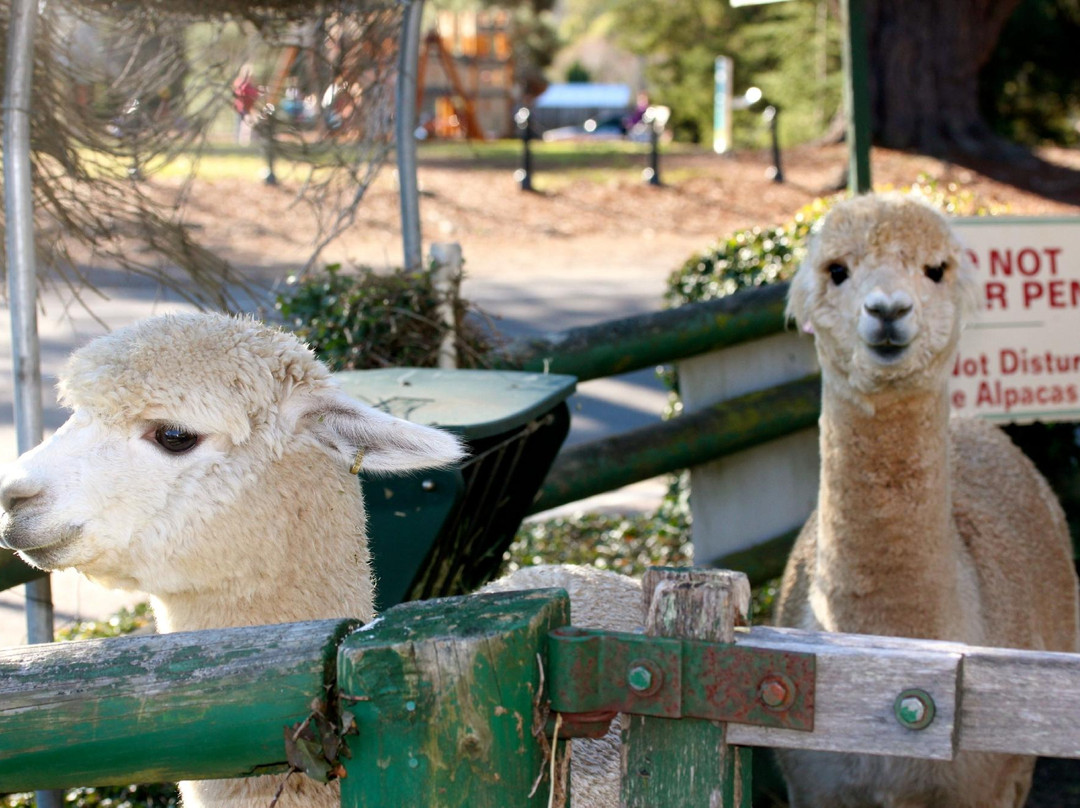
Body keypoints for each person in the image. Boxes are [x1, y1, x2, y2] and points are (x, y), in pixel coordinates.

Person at [232, 64, 259, 145]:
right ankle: (238, 142)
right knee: (241, 124)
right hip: (241, 108)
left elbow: (255, 94)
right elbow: (239, 94)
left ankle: (250, 141)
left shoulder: (252, 84)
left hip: (250, 108)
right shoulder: (240, 82)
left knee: (249, 125)